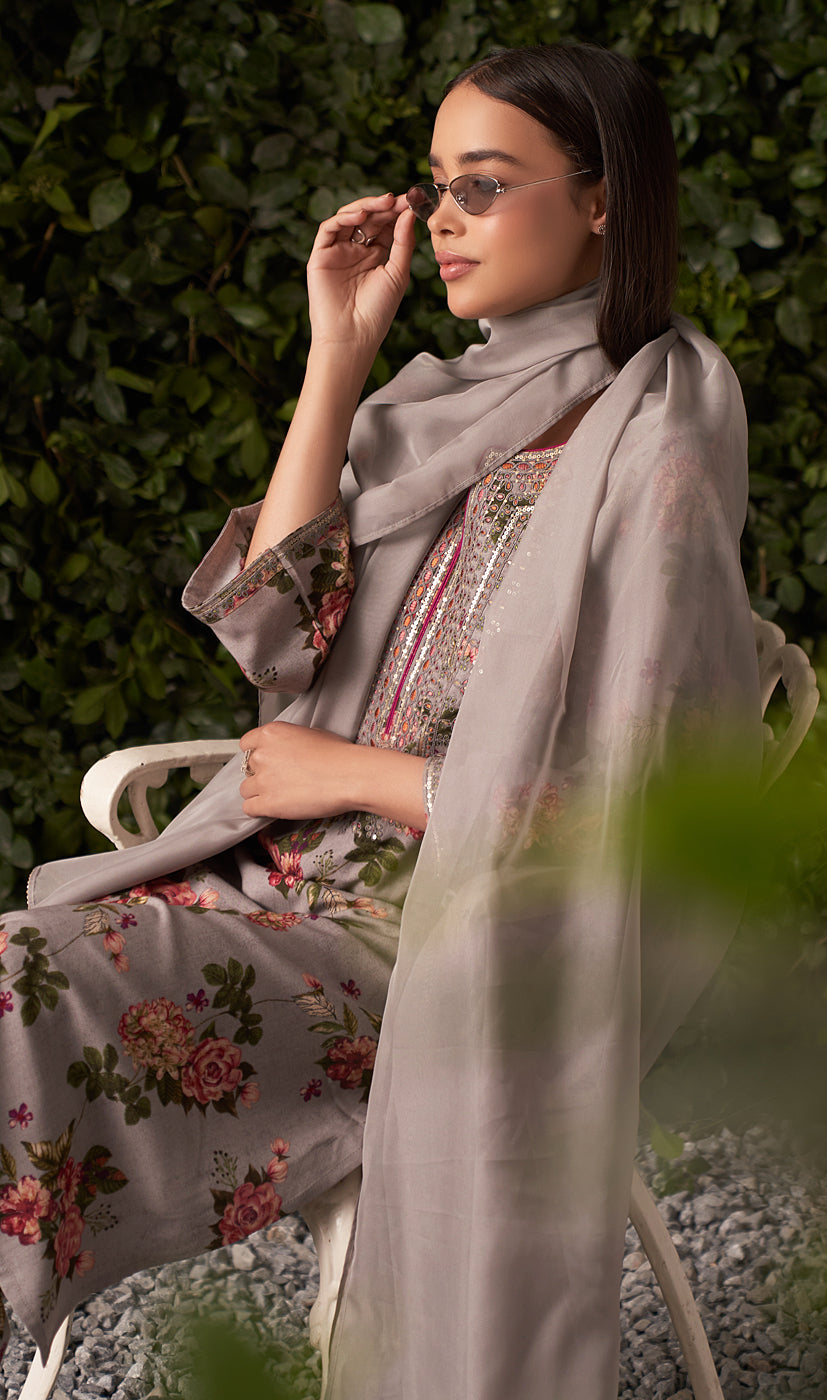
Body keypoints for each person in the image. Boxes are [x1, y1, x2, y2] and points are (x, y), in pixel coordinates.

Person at [0, 42, 760, 1400]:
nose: (444, 220)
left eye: (485, 185)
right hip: (260, 887)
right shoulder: (432, 409)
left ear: (603, 199)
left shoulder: (657, 450)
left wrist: (347, 775)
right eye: (437, 185)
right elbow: (273, 630)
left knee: (14, 984)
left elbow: (634, 810)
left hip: (437, 948)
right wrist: (338, 353)